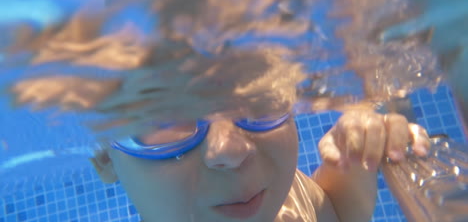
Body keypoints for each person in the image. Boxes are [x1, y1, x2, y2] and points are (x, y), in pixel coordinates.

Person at [90, 108, 430, 222]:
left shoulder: (284, 200)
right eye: (167, 117)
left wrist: (355, 159)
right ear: (105, 157)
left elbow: (337, 214)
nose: (231, 148)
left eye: (255, 100)